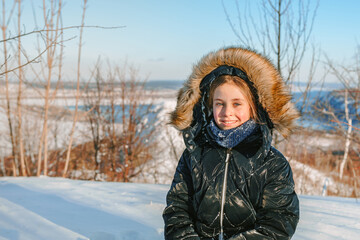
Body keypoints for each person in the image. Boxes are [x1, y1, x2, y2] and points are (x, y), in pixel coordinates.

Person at [162, 47, 300, 240]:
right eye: (219, 103)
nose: (227, 112)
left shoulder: (272, 162)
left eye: (237, 103)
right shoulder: (194, 153)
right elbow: (177, 207)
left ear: (254, 107)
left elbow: (279, 221)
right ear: (209, 105)